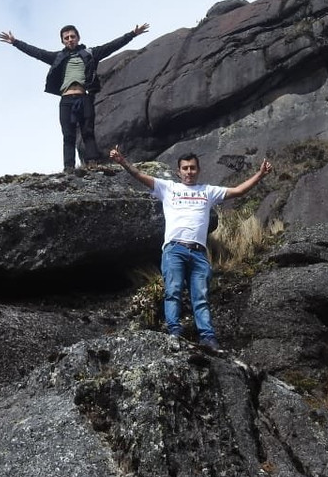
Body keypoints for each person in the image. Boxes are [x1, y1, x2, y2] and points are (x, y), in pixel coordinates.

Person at [109, 145, 273, 352]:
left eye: (192, 168)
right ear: (178, 172)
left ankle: (208, 337)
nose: (189, 172)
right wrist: (122, 161)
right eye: (185, 168)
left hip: (199, 252)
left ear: (198, 170)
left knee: (201, 296)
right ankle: (174, 333)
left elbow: (239, 191)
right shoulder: (168, 188)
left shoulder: (208, 191)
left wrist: (260, 174)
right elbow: (139, 175)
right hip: (174, 249)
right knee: (173, 291)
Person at [0, 23, 149, 171]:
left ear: (78, 38)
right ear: (63, 41)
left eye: (72, 36)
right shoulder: (58, 57)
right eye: (66, 38)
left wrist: (132, 34)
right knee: (68, 135)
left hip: (84, 98)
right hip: (66, 100)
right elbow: (36, 52)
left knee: (88, 132)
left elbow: (112, 46)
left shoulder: (90, 53)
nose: (70, 39)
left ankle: (93, 163)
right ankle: (69, 167)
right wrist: (15, 42)